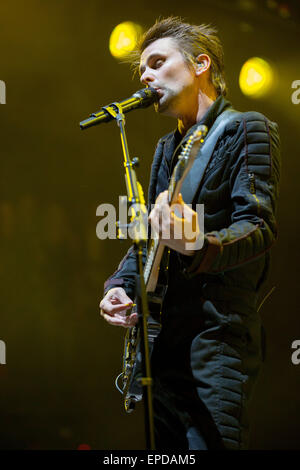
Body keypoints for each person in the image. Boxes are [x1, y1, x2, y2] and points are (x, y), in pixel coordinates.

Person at [99, 17, 281, 450]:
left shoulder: (246, 129)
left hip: (216, 342)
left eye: (158, 63)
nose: (145, 76)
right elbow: (149, 239)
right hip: (162, 345)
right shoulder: (167, 148)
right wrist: (121, 285)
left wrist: (202, 243)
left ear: (201, 64)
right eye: (142, 69)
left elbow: (258, 225)